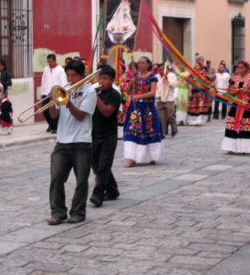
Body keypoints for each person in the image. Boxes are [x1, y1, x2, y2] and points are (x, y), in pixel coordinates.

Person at [46, 60, 97, 225]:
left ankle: (78, 212)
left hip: (81, 142)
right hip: (62, 142)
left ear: (82, 75)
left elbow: (80, 116)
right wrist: (52, 103)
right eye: (68, 75)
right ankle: (58, 212)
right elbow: (54, 117)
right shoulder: (64, 90)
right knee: (56, 178)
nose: (70, 78)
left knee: (81, 180)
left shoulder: (89, 92)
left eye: (74, 75)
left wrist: (67, 102)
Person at [89, 65, 122, 207]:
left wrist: (95, 97)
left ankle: (98, 194)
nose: (101, 81)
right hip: (94, 134)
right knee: (96, 166)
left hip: (109, 135)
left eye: (105, 79)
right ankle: (113, 190)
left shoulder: (115, 95)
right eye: (100, 78)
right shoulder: (94, 92)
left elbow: (107, 111)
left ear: (112, 80)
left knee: (104, 166)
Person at [123, 56, 163, 167]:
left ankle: (151, 156)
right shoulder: (134, 77)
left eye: (142, 63)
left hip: (147, 108)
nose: (140, 65)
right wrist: (127, 83)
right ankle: (132, 158)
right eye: (139, 63)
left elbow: (152, 92)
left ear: (148, 65)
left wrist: (139, 96)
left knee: (149, 131)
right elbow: (128, 91)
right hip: (135, 109)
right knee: (132, 131)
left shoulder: (152, 77)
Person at [221, 60, 250, 154]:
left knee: (245, 124)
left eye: (242, 68)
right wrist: (236, 92)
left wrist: (249, 92)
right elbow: (229, 92)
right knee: (233, 123)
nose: (239, 70)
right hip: (236, 104)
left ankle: (245, 147)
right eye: (238, 68)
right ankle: (232, 146)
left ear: (246, 68)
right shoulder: (233, 79)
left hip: (247, 105)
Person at [41, 54, 67, 134]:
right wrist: (42, 92)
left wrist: (59, 93)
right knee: (44, 109)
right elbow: (43, 80)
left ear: (55, 60)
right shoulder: (46, 69)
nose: (50, 63)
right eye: (48, 61)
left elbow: (63, 82)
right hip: (46, 93)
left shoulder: (60, 70)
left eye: (51, 61)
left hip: (56, 94)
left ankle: (55, 127)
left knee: (55, 110)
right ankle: (51, 124)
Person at [155, 63, 178, 137]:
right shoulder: (156, 77)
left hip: (169, 99)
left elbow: (175, 85)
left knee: (169, 115)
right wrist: (157, 95)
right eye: (160, 70)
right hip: (160, 99)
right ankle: (163, 132)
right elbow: (154, 88)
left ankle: (174, 127)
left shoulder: (171, 75)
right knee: (162, 117)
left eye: (162, 69)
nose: (161, 71)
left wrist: (167, 79)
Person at [187, 62, 209, 126]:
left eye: (197, 65)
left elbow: (206, 82)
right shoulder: (192, 74)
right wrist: (190, 91)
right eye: (195, 65)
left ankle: (200, 121)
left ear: (200, 67)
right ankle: (194, 121)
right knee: (194, 106)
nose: (196, 67)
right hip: (194, 91)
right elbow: (190, 82)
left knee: (200, 107)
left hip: (201, 92)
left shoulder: (203, 74)